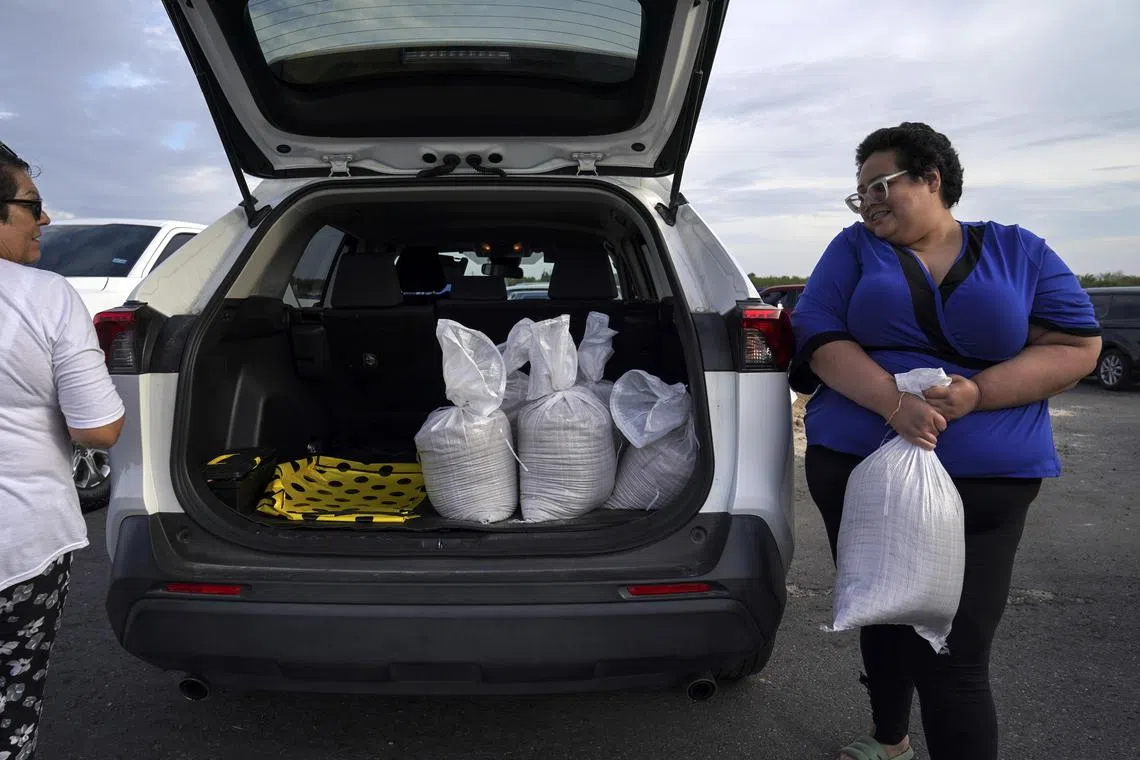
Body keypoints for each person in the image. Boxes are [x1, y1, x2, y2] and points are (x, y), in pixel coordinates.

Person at [789, 122, 1102, 760]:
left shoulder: (1020, 251)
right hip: (858, 468)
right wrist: (893, 403)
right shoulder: (852, 250)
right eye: (859, 194)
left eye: (879, 185)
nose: (867, 202)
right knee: (880, 608)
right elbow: (817, 336)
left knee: (954, 657)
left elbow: (1078, 346)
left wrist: (979, 394)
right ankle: (890, 738)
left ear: (932, 178)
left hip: (986, 485)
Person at [0, 140, 125, 759]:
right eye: (33, 204)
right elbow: (97, 430)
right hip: (16, 550)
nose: (45, 219)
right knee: (8, 708)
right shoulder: (43, 296)